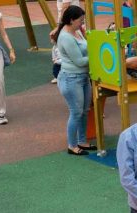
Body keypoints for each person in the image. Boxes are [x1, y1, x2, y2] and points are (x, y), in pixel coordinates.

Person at [53, 5, 93, 155]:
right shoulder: (66, 37)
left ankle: (82, 141)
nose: (82, 24)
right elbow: (80, 61)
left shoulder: (76, 32)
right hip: (71, 78)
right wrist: (96, 55)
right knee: (76, 112)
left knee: (85, 111)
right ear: (71, 20)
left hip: (82, 77)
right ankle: (72, 145)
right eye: (80, 21)